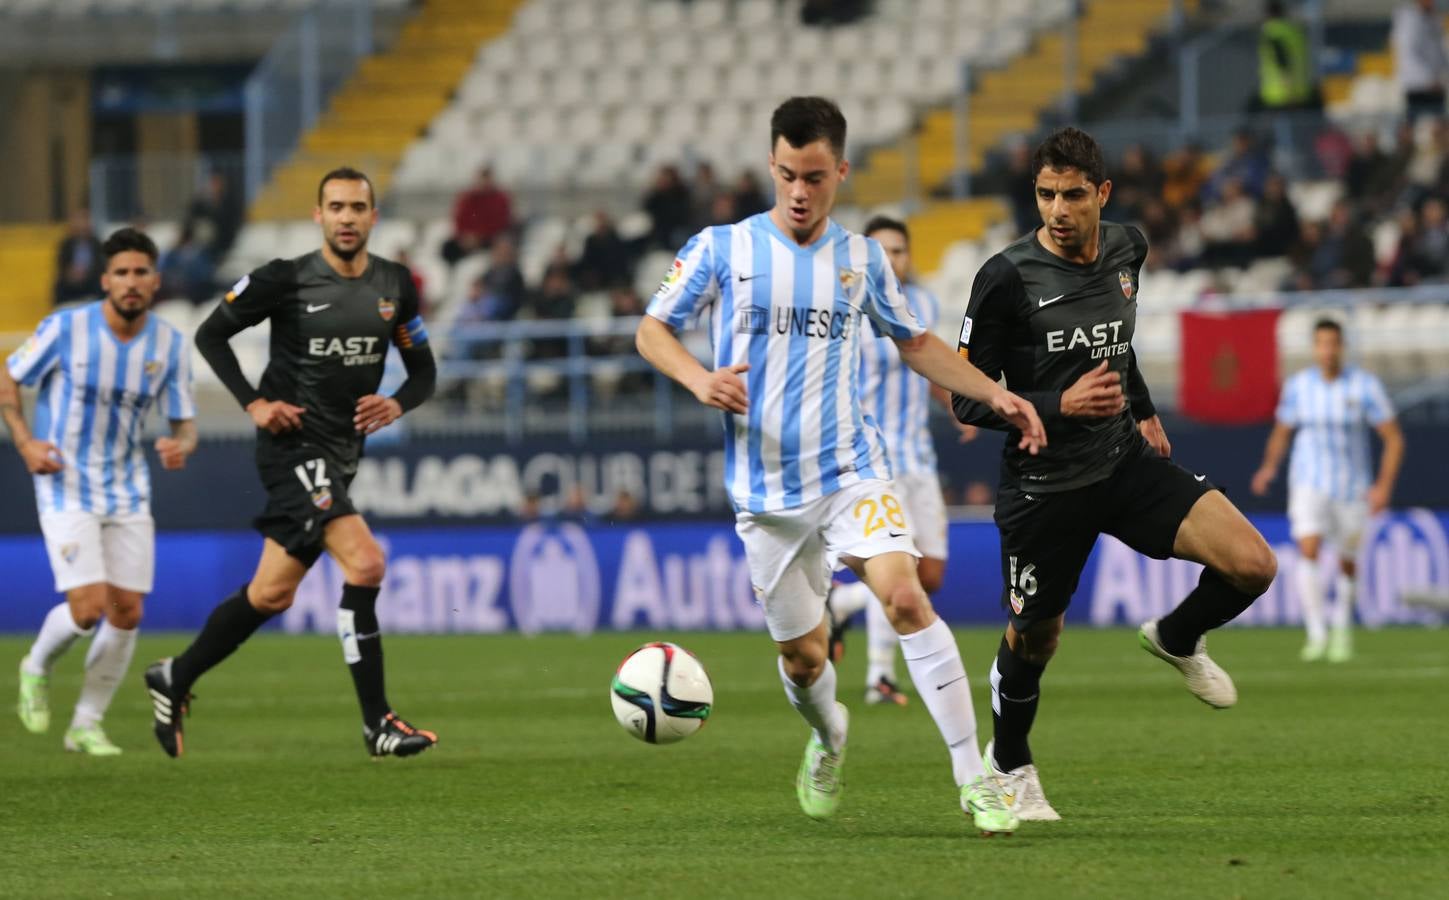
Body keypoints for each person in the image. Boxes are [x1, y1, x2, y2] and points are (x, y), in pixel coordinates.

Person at [635, 97, 1046, 835]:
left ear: (840, 172)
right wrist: (699, 380)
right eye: (788, 174)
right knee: (802, 660)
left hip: (850, 471)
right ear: (771, 165)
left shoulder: (860, 260)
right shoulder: (722, 248)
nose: (799, 191)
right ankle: (829, 739)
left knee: (907, 599)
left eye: (815, 177)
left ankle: (974, 776)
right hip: (763, 496)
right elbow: (651, 329)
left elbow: (916, 342)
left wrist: (993, 393)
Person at [952, 127, 1278, 822]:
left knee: (1252, 564)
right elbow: (964, 394)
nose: (1056, 211)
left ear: (1101, 194)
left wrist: (1142, 408)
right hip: (1044, 485)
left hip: (1121, 460)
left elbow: (1115, 341)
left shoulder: (1129, 247)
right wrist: (1053, 404)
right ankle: (1007, 765)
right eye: (1044, 195)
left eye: (1072, 195)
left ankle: (1176, 636)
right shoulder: (1005, 277)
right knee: (1036, 637)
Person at [143, 167, 439, 759]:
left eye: (358, 207)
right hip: (292, 449)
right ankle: (377, 723)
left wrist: (396, 401)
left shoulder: (396, 286)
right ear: (319, 215)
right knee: (366, 563)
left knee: (271, 594)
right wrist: (253, 402)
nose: (347, 217)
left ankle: (174, 676)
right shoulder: (285, 280)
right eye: (336, 207)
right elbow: (210, 335)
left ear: (373, 217)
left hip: (340, 456)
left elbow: (425, 371)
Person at [3, 227, 196, 755]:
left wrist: (182, 444)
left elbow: (185, 423)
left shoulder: (169, 345)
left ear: (155, 282)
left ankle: (85, 723)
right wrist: (25, 443)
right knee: (88, 608)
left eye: (141, 273)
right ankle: (35, 665)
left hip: (128, 489)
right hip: (65, 482)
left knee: (128, 611)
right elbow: (9, 375)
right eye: (122, 273)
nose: (131, 282)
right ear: (105, 279)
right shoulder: (67, 328)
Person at [825, 215, 977, 708]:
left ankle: (844, 602)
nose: (893, 260)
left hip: (919, 455)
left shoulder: (926, 303)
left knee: (930, 574)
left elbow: (928, 363)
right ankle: (879, 677)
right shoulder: (848, 304)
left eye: (900, 251)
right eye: (884, 251)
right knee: (897, 566)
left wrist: (957, 407)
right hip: (875, 461)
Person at [1251, 319, 1403, 662]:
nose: (1328, 351)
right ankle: (1316, 631)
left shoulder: (1364, 386)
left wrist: (1383, 486)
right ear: (1315, 348)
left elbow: (1393, 438)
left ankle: (1341, 626)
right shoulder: (1299, 387)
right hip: (1309, 482)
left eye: (1333, 343)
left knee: (1348, 562)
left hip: (1352, 488)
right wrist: (1269, 466)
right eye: (1322, 343)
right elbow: (1282, 431)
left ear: (1341, 346)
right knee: (1309, 547)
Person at [441, 167, 514, 265]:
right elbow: (459, 218)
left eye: (487, 179)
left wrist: (479, 236)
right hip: (468, 238)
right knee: (448, 247)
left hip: (490, 238)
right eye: (482, 179)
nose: (484, 182)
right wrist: (465, 235)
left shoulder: (500, 198)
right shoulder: (467, 198)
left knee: (503, 244)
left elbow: (501, 221)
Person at [1392, 0, 1449, 122]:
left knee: (1439, 126)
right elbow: (1408, 54)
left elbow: (1439, 52)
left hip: (1436, 84)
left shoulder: (1433, 20)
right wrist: (1428, 79)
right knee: (1420, 127)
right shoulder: (1409, 21)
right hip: (1418, 85)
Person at [53, 207, 105, 304]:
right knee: (59, 285)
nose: (81, 225)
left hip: (91, 280)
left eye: (84, 220)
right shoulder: (66, 244)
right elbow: (61, 264)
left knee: (101, 283)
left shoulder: (97, 244)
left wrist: (86, 273)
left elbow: (101, 266)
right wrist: (71, 273)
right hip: (71, 281)